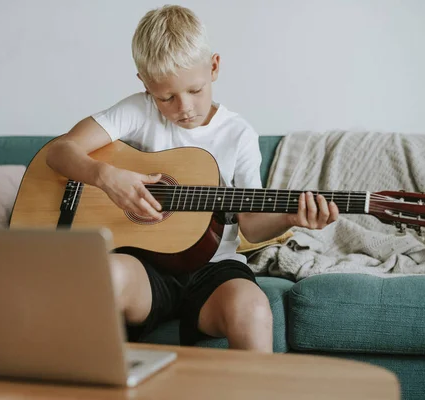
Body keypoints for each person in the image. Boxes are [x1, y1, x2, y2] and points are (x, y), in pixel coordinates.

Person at [46, 5, 339, 353]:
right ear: (144, 83)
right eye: (166, 97)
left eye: (195, 90)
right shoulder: (138, 111)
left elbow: (251, 227)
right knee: (104, 275)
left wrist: (291, 217)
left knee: (253, 309)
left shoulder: (237, 134)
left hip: (214, 269)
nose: (183, 107)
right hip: (145, 267)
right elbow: (59, 151)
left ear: (214, 67)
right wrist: (106, 176)